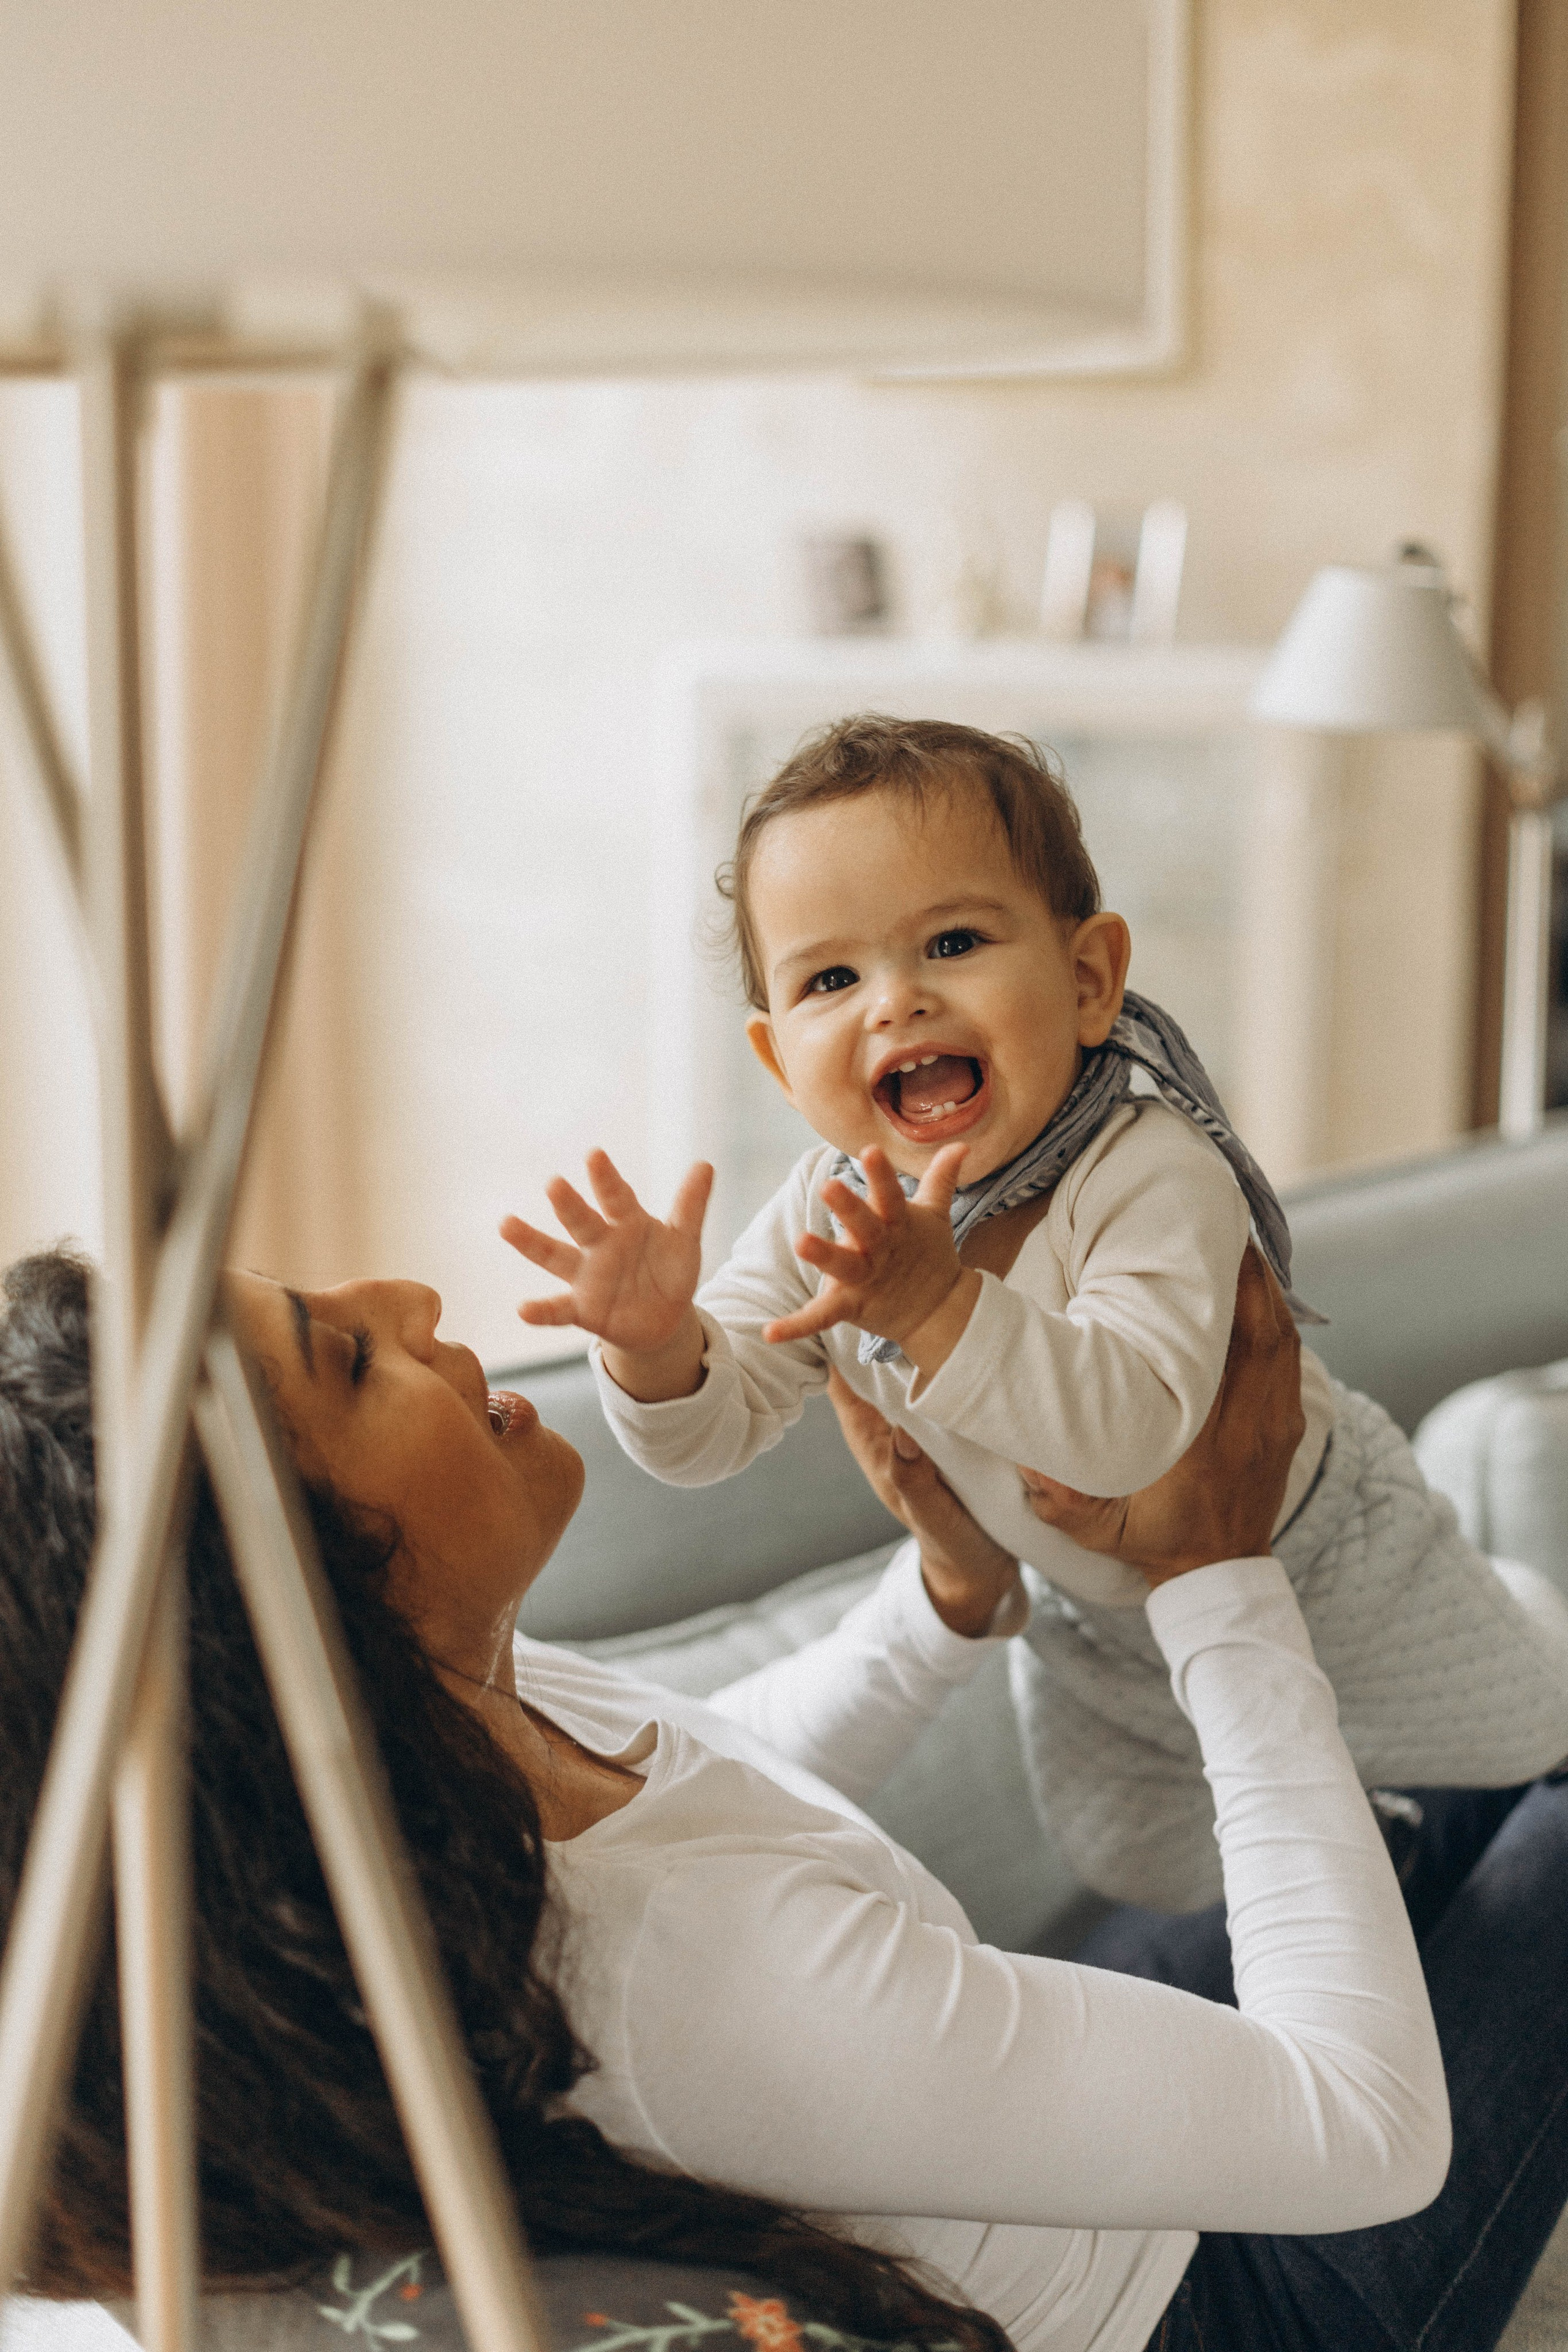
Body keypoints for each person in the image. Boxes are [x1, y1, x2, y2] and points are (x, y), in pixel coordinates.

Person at [7, 1242, 1568, 2352]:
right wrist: (1214, 1579)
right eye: (348, 1360)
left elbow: (707, 1786)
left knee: (1470, 1761)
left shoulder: (437, 1749)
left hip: (1034, 2121)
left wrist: (947, 1597)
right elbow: (1363, 2133)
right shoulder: (692, 1983)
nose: (406, 1299)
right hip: (1222, 2305)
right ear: (276, 1621)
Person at [501, 714, 1568, 1909]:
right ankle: (1393, 1850)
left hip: (1321, 1556)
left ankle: (1523, 1606)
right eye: (831, 978)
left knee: (1529, 1726)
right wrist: (657, 1347)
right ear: (775, 1059)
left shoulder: (1146, 1168)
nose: (893, 1003)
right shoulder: (829, 1208)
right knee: (1127, 1854)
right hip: (1089, 1623)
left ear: (1085, 979)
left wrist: (935, 1304)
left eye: (949, 942)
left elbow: (1131, 1431)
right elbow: (711, 1437)